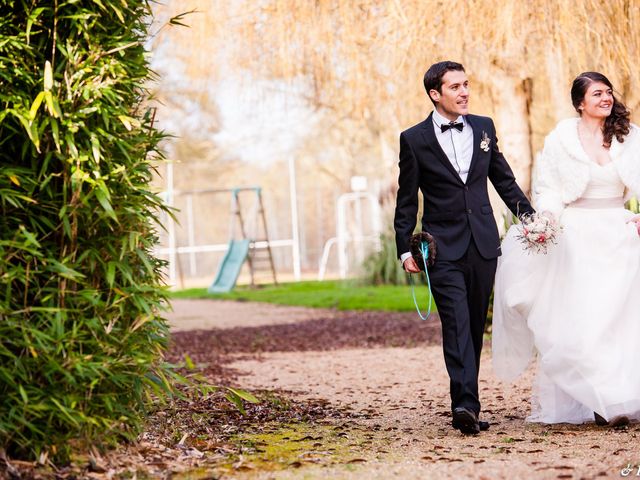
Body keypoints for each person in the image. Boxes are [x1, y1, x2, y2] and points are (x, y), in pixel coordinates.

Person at [393, 61, 534, 434]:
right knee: (455, 324)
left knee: (472, 326)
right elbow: (407, 200)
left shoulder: (485, 128)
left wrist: (531, 221)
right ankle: (465, 405)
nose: (464, 92)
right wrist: (405, 249)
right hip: (441, 249)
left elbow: (503, 180)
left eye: (466, 85)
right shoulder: (414, 139)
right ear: (435, 94)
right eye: (455, 87)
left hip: (484, 243)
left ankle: (467, 398)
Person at [492, 71, 640, 426]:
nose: (606, 98)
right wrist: (546, 219)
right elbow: (550, 188)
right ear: (580, 103)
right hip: (577, 238)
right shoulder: (561, 139)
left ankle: (617, 400)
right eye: (597, 94)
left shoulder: (630, 137)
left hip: (619, 235)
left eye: (608, 93)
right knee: (584, 320)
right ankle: (595, 396)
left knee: (619, 321)